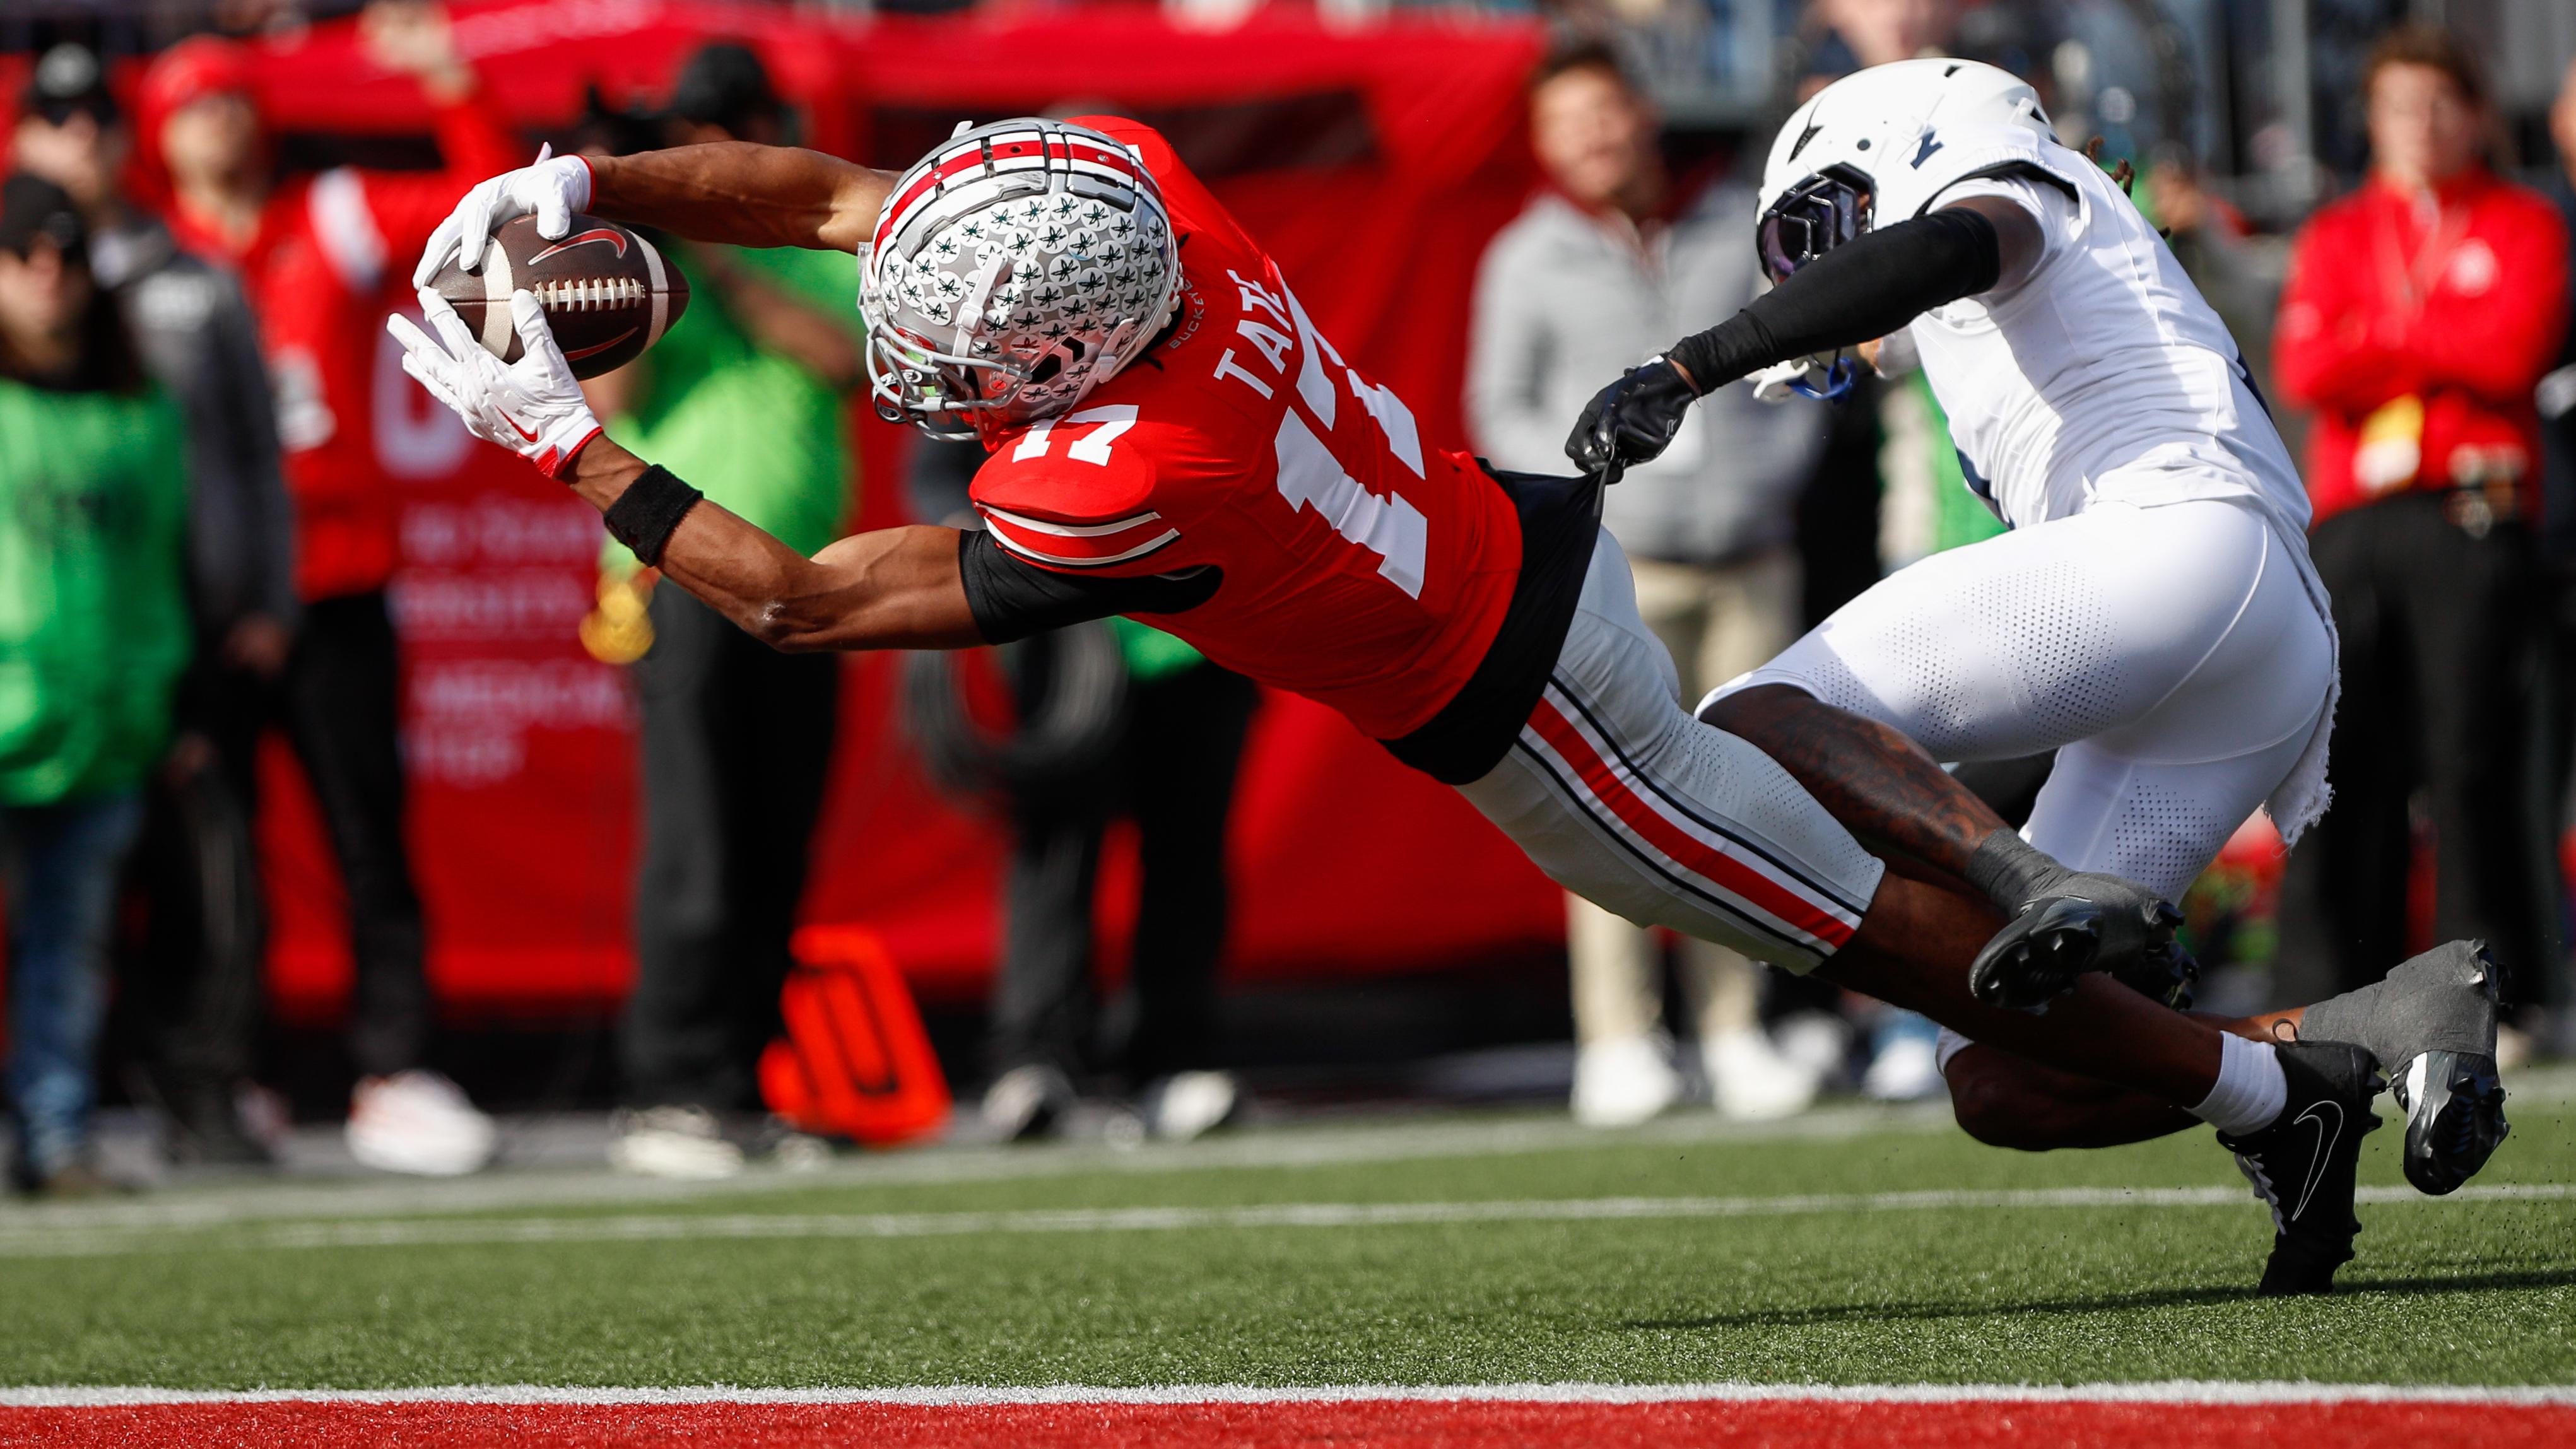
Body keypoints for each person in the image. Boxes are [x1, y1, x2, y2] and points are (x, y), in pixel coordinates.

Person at [400, 115, 2476, 1294]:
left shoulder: (1134, 475)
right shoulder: (1127, 192)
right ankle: (2242, 1065)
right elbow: (844, 195)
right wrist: (584, 187)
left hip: (1535, 717)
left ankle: (2294, 1065)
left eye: (964, 350)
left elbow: (802, 594)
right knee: (1843, 860)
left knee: (1897, 958)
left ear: (1060, 356)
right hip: (1529, 543)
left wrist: (559, 447)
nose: (915, 345)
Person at [1567, 59, 2505, 1269]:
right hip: (2248, 637)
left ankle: (2029, 879)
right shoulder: (2044, 264)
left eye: (1818, 225)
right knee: (2004, 1070)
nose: (1817, 264)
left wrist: (1695, 361)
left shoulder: (2021, 186)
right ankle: (2338, 1053)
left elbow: (1948, 243)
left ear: (1906, 139)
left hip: (2179, 547)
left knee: (1752, 708)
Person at [141, 1, 522, 1176]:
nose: (220, 121)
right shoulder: (143, 259)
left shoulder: (330, 215)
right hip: (200, 600)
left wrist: (452, 81)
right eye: (196, 104)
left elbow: (493, 219)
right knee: (207, 851)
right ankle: (226, 1077)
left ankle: (394, 1070)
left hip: (337, 582)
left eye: (234, 99)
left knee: (370, 838)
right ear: (158, 131)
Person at [1470, 42, 1826, 1125]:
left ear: (1641, 112)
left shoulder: (1734, 223)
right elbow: (1502, 408)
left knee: (1755, 797)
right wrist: (1602, 493)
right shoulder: (1523, 257)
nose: (1593, 138)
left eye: (1605, 113)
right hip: (1613, 572)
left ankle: (1736, 1029)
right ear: (1541, 142)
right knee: (1605, 803)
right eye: (1566, 123)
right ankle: (1620, 1040)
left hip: (1752, 557)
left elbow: (1801, 367)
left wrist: (1759, 476)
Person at [579, 44, 863, 1180]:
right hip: (678, 574)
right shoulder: (640, 260)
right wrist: (638, 239)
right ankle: (668, 1090)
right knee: (697, 839)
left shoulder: (820, 241)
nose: (695, 153)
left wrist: (723, 253)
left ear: (761, 128)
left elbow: (845, 360)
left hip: (820, 581)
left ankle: (740, 1088)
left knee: (777, 841)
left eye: (710, 130)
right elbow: (617, 396)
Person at [13, 42, 297, 1165]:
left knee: (183, 898)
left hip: (161, 654)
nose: (48, 272)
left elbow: (252, 459)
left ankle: (179, 1095)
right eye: (55, 118)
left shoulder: (183, 288)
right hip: (33, 672)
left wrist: (261, 596)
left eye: (98, 119)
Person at [2271, 28, 2568, 1032]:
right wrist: (2435, 336)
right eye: (2401, 104)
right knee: (2341, 764)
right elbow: (2307, 368)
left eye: (2441, 102)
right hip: (2356, 521)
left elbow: (2513, 350)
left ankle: (2484, 995)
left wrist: (2383, 337)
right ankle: (2330, 989)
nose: (2421, 125)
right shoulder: (2339, 233)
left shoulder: (2523, 222)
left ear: (2477, 113)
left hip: (2468, 512)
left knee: (2470, 761)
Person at [0, 173, 193, 1196]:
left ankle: (56, 1135)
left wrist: (166, 693)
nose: (48, 275)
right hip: (8, 716)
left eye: (67, 255)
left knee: (70, 954)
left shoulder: (138, 405)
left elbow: (163, 563)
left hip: (103, 727)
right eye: (27, 252)